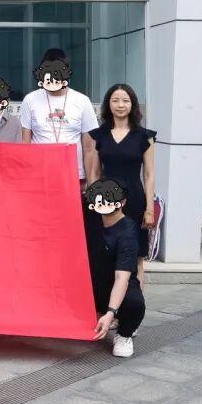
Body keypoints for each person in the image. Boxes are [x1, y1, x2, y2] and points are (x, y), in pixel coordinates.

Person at [86, 83, 155, 286]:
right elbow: (95, 172)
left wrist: (149, 209)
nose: (120, 105)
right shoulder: (98, 135)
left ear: (132, 104)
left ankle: (135, 301)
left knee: (136, 257)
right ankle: (109, 301)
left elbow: (149, 175)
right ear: (108, 104)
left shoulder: (145, 136)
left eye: (125, 100)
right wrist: (93, 201)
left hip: (134, 200)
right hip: (105, 200)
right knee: (104, 253)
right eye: (115, 100)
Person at [86, 178, 146, 358]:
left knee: (134, 303)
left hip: (116, 285)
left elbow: (122, 278)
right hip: (91, 283)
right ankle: (97, 315)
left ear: (122, 202)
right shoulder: (91, 217)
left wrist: (111, 313)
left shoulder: (127, 232)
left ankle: (124, 334)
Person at [19, 50, 97, 185]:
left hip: (74, 177)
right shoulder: (30, 100)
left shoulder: (82, 101)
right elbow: (25, 144)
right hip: (39, 175)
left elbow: (90, 148)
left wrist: (91, 184)